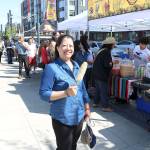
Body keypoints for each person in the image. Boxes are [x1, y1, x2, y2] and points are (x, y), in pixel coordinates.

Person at [39, 35, 90, 150]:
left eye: (71, 45)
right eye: (64, 45)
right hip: (62, 118)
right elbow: (43, 93)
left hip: (79, 115)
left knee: (73, 146)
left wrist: (87, 108)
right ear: (57, 48)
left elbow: (82, 89)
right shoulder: (51, 68)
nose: (68, 48)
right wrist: (66, 93)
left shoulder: (77, 65)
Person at [92, 37, 116, 112]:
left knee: (98, 89)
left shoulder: (101, 50)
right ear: (110, 45)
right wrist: (112, 63)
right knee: (103, 90)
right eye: (113, 45)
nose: (113, 46)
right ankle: (105, 106)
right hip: (102, 74)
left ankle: (95, 103)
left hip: (96, 73)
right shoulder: (106, 52)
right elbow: (107, 65)